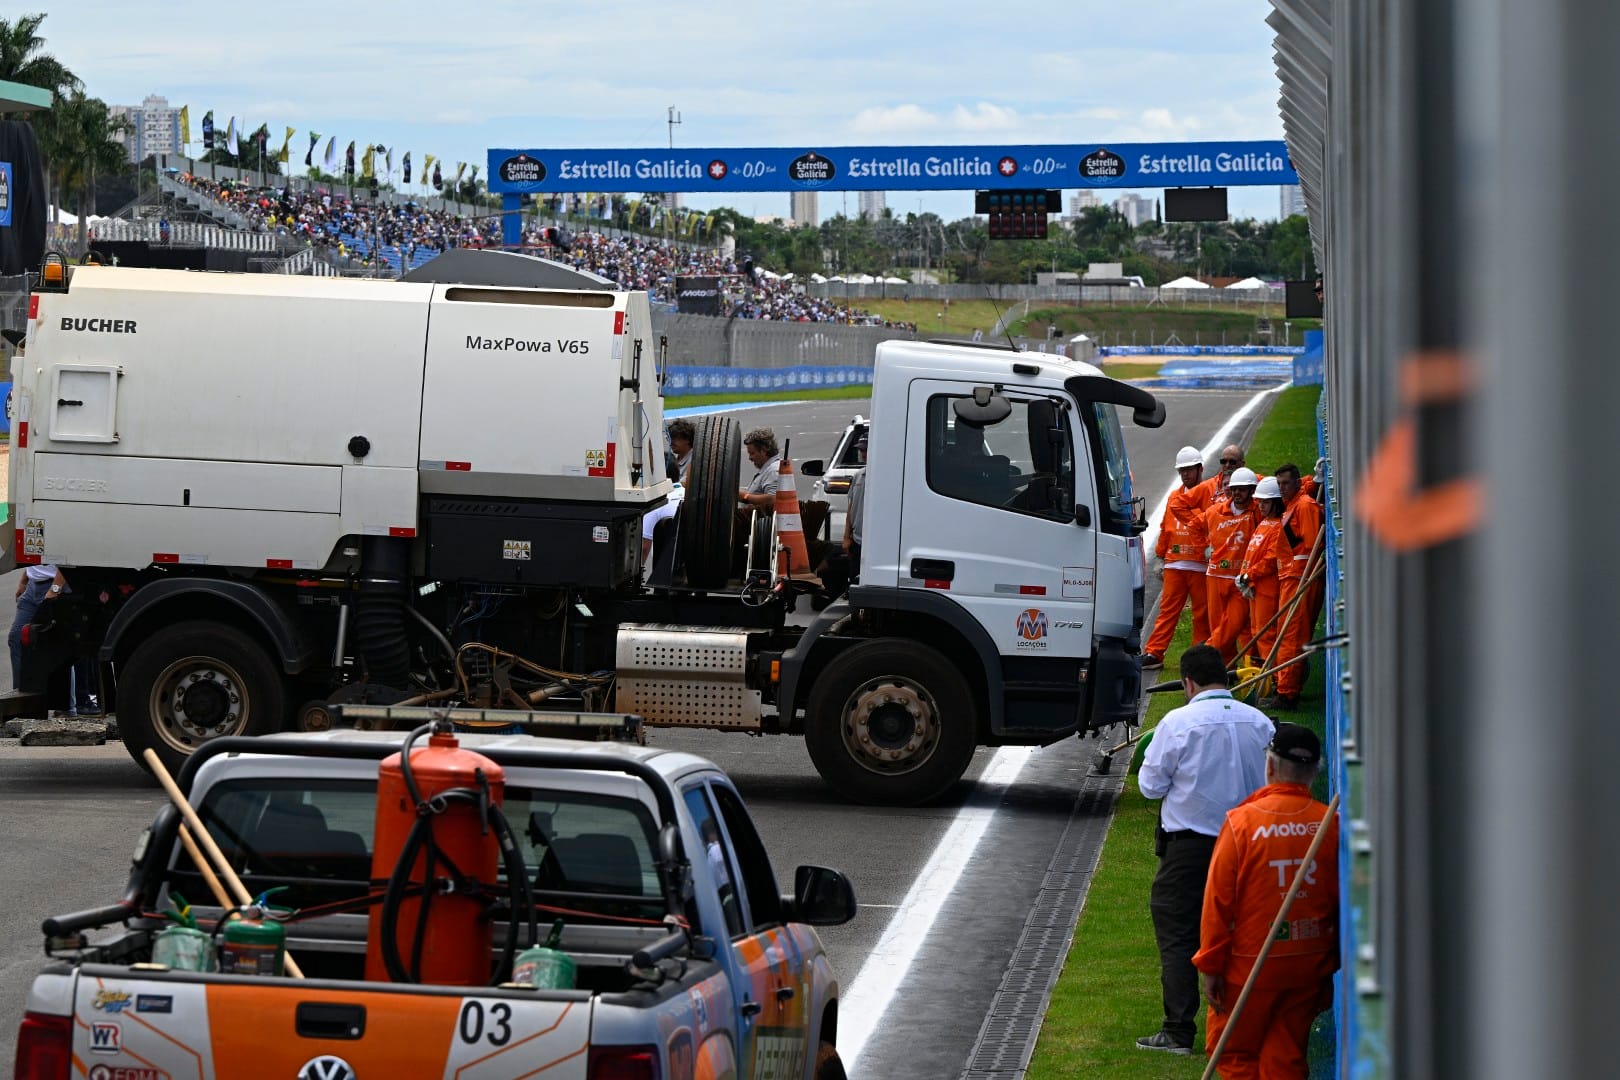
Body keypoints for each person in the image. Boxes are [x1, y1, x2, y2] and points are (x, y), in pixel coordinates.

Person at [1137, 644, 1274, 1055]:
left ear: (1187, 683)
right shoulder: (1260, 722)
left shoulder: (1178, 723)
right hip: (1249, 844)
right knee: (1245, 931)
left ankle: (1178, 1029)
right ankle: (1249, 1020)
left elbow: (1150, 786)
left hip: (1191, 849)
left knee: (1179, 933)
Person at [1194, 723, 1339, 1079]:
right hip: (1308, 962)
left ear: (1270, 767)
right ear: (1315, 772)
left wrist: (1211, 966)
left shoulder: (1242, 824)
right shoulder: (1329, 824)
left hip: (1249, 965)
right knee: (1286, 1056)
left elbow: (1217, 902)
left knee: (1234, 1055)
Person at [1144, 446, 1215, 669]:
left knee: (1202, 614)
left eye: (1189, 470)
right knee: (1167, 611)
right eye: (1182, 471)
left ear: (1200, 469)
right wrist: (1160, 557)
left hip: (1200, 565)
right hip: (1175, 563)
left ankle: (1198, 656)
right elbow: (1166, 527)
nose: (1185, 474)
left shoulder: (1210, 496)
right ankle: (1154, 653)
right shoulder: (1175, 496)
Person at [1263, 464, 1324, 710]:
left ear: (1297, 483)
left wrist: (1304, 576)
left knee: (1292, 635)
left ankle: (1288, 694)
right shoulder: (1292, 506)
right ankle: (1285, 685)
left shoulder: (1305, 506)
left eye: (1286, 483)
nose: (1281, 488)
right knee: (1285, 633)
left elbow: (1311, 545)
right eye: (1278, 484)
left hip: (1301, 577)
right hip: (1290, 576)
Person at [1199, 467, 1260, 663]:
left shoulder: (1258, 511)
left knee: (1234, 624)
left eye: (1242, 489)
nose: (1237, 493)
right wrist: (1205, 546)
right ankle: (1226, 670)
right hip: (1215, 577)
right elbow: (1194, 526)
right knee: (1217, 625)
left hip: (1240, 581)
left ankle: (1203, 657)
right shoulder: (1214, 511)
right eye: (1234, 489)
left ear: (1252, 490)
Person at [1236, 476, 1286, 665]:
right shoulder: (1263, 523)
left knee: (1266, 633)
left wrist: (1249, 575)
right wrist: (1244, 575)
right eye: (1260, 501)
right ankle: (1261, 672)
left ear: (1276, 502)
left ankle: (1272, 676)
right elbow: (1251, 553)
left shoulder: (1279, 525)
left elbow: (1271, 560)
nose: (1261, 506)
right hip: (1254, 586)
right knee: (1256, 631)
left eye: (1266, 502)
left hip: (1268, 588)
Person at [843, 431, 869, 580]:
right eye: (861, 450)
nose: (863, 453)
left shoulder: (884, 476)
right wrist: (847, 536)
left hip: (872, 542)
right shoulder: (858, 475)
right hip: (857, 541)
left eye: (865, 450)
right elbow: (851, 507)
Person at [738, 427, 781, 512]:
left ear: (764, 450)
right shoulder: (768, 469)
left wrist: (744, 497)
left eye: (752, 453)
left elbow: (773, 499)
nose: (750, 458)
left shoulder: (773, 470)